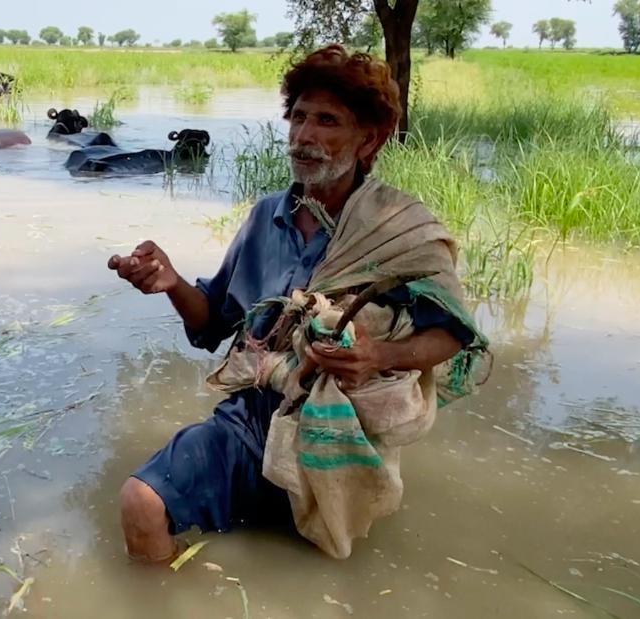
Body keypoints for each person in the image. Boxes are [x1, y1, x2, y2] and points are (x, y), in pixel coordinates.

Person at [106, 44, 477, 564]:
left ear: (367, 139)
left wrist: (377, 356)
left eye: (327, 121)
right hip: (252, 419)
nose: (304, 136)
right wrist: (170, 282)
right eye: (299, 117)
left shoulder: (396, 227)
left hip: (340, 438)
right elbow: (213, 323)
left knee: (316, 562)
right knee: (141, 505)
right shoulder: (265, 219)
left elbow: (454, 334)